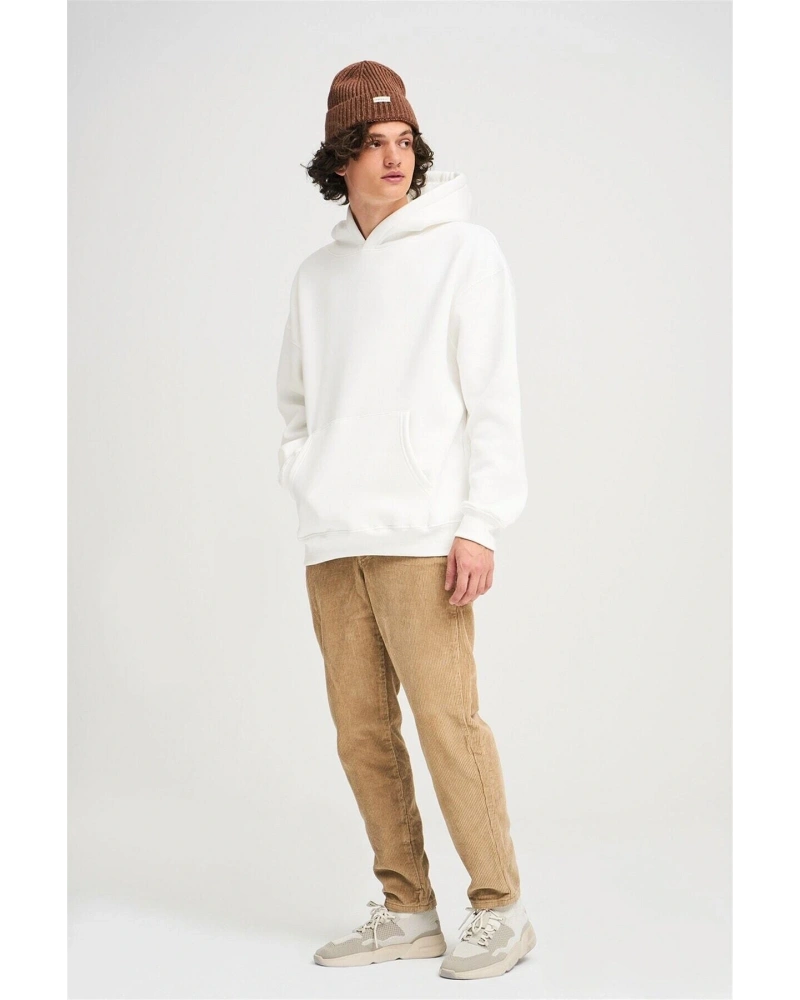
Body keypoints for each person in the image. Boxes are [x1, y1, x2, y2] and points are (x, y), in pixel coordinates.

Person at [275, 59, 536, 980]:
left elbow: (493, 400)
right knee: (361, 733)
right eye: (373, 143)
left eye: (405, 142)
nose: (394, 158)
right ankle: (407, 908)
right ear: (340, 159)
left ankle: (500, 909)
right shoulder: (316, 277)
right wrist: (310, 479)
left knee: (446, 722)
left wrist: (480, 522)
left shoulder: (466, 253)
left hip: (425, 535)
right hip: (334, 538)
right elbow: (295, 407)